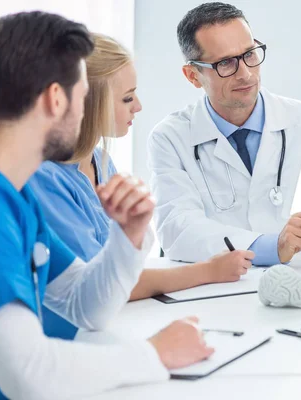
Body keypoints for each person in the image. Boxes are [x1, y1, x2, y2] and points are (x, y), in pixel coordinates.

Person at [0, 12, 213, 400]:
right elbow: (30, 374)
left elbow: (85, 305)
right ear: (56, 99)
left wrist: (127, 236)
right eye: (83, 98)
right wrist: (155, 353)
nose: (85, 115)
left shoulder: (9, 188)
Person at [28, 33, 255, 340]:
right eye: (126, 98)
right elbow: (103, 288)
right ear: (87, 103)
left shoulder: (99, 161)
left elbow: (121, 269)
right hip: (71, 341)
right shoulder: (42, 178)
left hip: (112, 327)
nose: (138, 107)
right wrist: (207, 271)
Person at [148, 2, 301, 264]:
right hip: (222, 292)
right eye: (225, 63)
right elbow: (178, 230)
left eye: (250, 54)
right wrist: (272, 246)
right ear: (193, 75)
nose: (246, 74)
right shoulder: (171, 138)